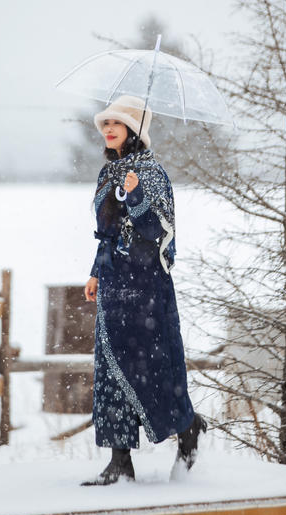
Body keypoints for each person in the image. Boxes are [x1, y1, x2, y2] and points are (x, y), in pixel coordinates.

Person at [82, 95, 206, 486]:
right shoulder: (110, 173)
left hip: (147, 287)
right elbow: (107, 234)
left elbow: (159, 233)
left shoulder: (150, 173)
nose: (108, 129)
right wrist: (96, 272)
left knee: (153, 369)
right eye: (105, 124)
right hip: (114, 285)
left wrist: (136, 196)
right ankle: (120, 463)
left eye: (116, 123)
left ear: (134, 129)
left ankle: (188, 430)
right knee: (111, 371)